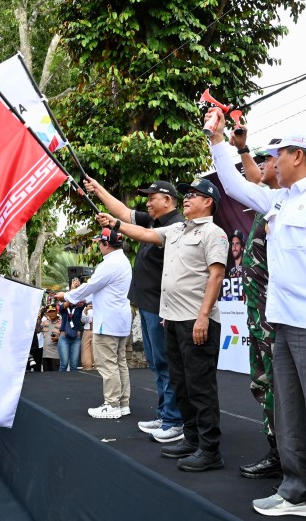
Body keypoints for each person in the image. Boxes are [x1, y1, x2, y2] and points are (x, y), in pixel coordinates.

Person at [206, 110, 306, 520]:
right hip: (284, 323)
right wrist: (217, 139)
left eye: (277, 155)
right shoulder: (280, 199)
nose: (271, 163)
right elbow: (235, 185)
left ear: (297, 155)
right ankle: (297, 490)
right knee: (288, 414)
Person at [97, 177, 228, 472]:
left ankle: (210, 450)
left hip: (197, 321)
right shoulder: (177, 229)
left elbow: (216, 277)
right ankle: (192, 438)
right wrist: (115, 225)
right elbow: (144, 233)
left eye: (193, 195)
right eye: (186, 195)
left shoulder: (213, 233)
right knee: (181, 384)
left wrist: (204, 316)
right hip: (173, 320)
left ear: (208, 202)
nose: (187, 199)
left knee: (201, 387)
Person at [84, 177, 185, 443]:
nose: (148, 202)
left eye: (152, 197)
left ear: (168, 200)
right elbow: (122, 210)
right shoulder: (154, 219)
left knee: (166, 364)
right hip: (147, 304)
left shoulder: (176, 225)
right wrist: (99, 190)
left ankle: (174, 420)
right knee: (156, 363)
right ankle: (165, 415)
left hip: (162, 307)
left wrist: (116, 225)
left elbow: (132, 228)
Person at [211, 131, 284, 479]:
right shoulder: (267, 199)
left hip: (276, 319)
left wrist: (231, 146)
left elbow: (245, 181)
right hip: (258, 317)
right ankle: (277, 452)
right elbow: (250, 179)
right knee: (262, 385)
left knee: (279, 388)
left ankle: (290, 457)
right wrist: (239, 147)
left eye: (271, 158)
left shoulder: (282, 200)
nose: (265, 164)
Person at [54, 228, 133, 419]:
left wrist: (67, 295)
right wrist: (82, 299)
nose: (98, 245)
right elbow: (98, 290)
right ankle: (122, 403)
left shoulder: (109, 264)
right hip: (120, 320)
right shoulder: (122, 261)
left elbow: (90, 286)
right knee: (120, 363)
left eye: (99, 242)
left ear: (106, 244)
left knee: (108, 364)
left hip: (107, 321)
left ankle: (112, 404)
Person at [57, 279, 85, 372]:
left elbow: (83, 300)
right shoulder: (64, 307)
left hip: (75, 339)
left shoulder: (79, 307)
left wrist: (79, 289)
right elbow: (63, 306)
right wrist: (72, 289)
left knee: (74, 366)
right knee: (63, 364)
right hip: (64, 338)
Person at [40, 306, 61, 372]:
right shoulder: (44, 322)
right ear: (47, 313)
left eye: (53, 311)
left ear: (57, 312)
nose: (51, 313)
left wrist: (58, 339)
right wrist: (39, 317)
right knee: (46, 377)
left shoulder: (62, 323)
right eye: (49, 312)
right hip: (45, 355)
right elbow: (37, 330)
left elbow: (66, 338)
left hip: (56, 355)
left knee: (56, 377)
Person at [80, 304, 95, 371]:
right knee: (85, 351)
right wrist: (86, 310)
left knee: (96, 352)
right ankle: (87, 368)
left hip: (97, 332)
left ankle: (96, 368)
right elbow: (83, 320)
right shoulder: (86, 309)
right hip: (87, 330)